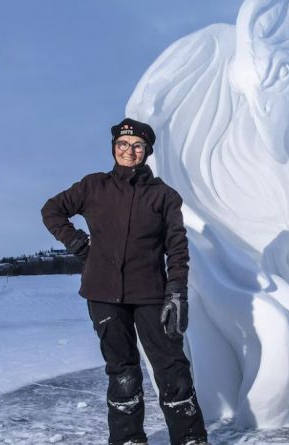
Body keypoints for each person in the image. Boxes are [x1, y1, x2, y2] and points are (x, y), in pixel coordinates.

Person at [41, 118, 209, 445]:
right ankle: (128, 439)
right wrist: (78, 244)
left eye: (137, 146)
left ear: (147, 151)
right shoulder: (93, 186)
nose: (128, 151)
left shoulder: (164, 196)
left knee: (172, 369)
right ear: (113, 148)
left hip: (151, 294)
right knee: (122, 372)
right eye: (122, 144)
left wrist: (176, 291)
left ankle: (190, 438)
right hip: (103, 294)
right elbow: (51, 210)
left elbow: (177, 248)